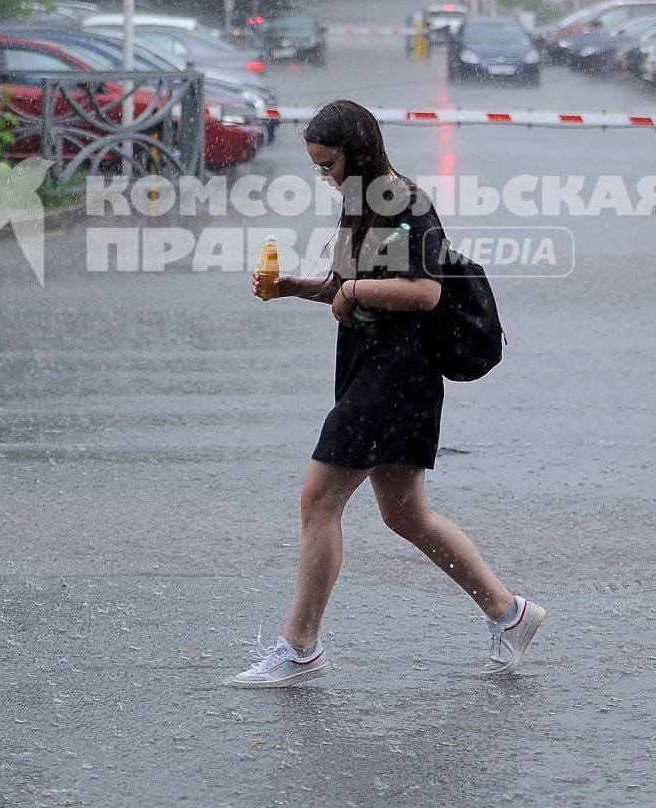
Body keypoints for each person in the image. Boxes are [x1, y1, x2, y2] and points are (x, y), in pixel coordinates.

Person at [228, 98, 543, 687]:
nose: (325, 177)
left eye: (329, 165)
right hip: (375, 371)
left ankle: (300, 647)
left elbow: (424, 293)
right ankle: (509, 612)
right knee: (406, 513)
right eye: (318, 168)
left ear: (358, 152)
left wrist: (353, 294)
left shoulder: (405, 204)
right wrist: (301, 287)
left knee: (318, 501)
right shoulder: (364, 203)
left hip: (395, 378)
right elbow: (356, 286)